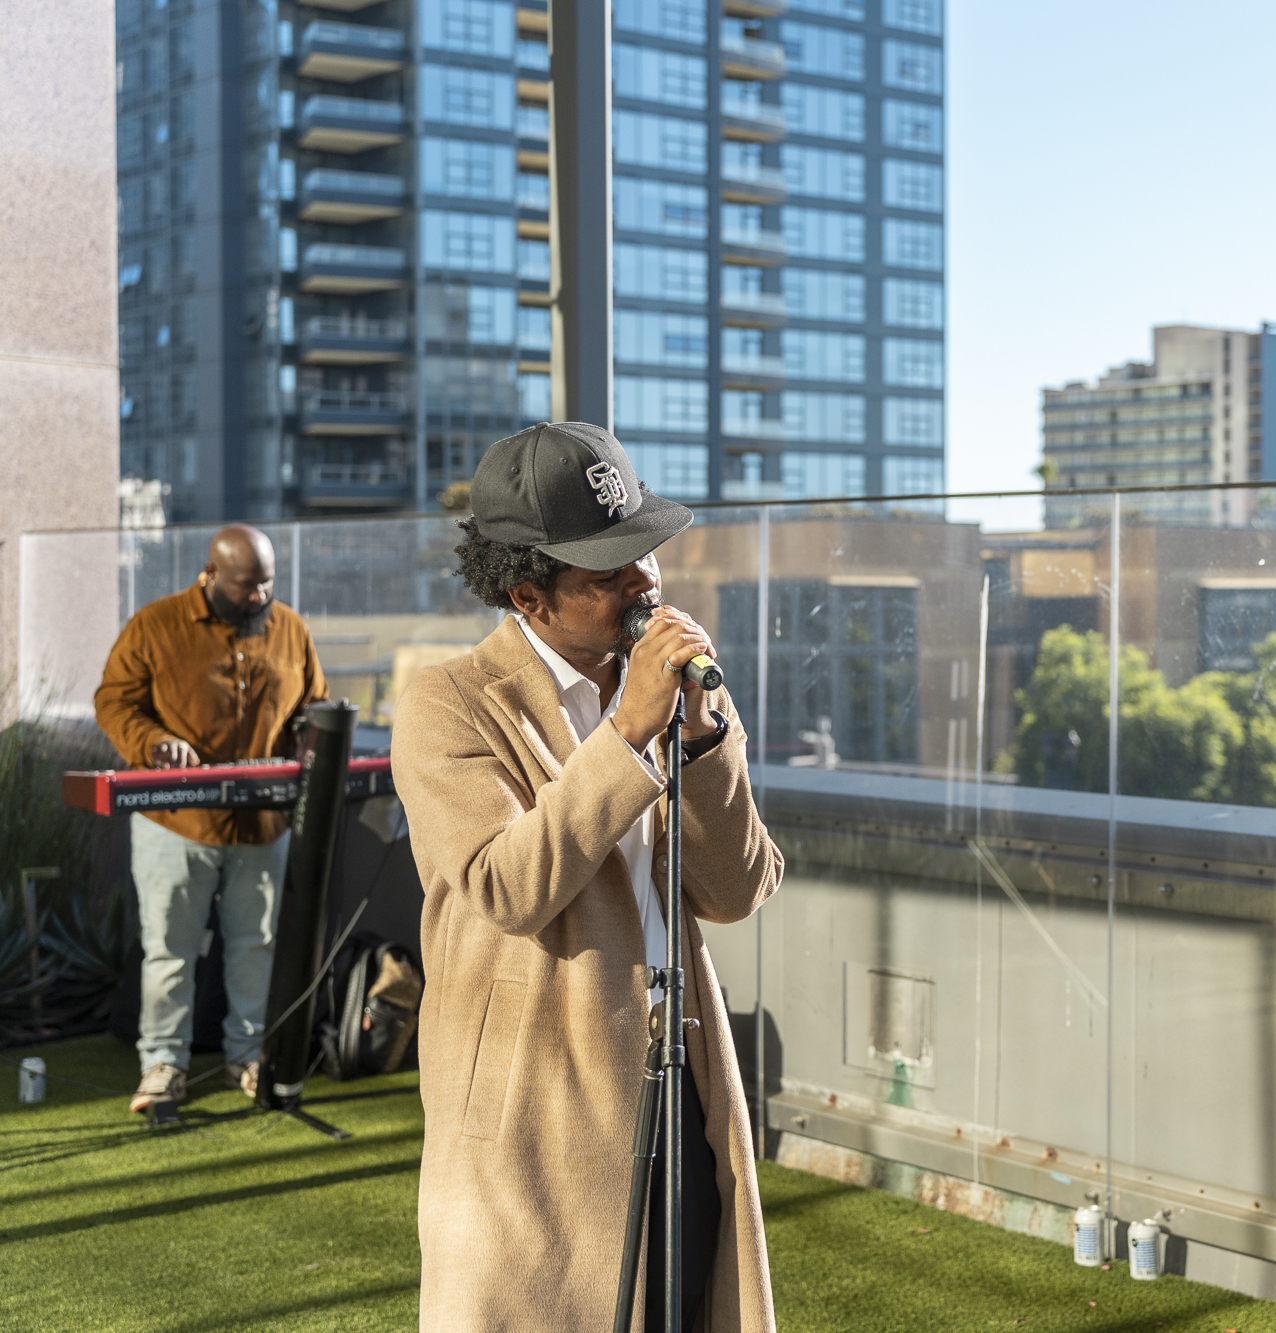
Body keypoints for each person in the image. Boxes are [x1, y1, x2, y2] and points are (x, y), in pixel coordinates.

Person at [392, 421, 783, 1333]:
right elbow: (503, 887)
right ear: (530, 594)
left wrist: (703, 742)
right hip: (534, 1110)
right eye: (607, 570)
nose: (644, 581)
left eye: (644, 548)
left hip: (678, 1076)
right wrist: (625, 738)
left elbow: (737, 891)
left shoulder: (679, 691)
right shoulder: (449, 704)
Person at [95, 524, 328, 1113]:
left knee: (258, 945)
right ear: (210, 575)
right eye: (247, 585)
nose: (259, 596)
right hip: (176, 821)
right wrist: (153, 741)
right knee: (170, 948)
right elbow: (114, 701)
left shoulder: (291, 629)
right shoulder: (154, 625)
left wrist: (308, 743)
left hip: (262, 824)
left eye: (267, 583)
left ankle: (247, 1059)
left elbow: (314, 706)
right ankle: (162, 1065)